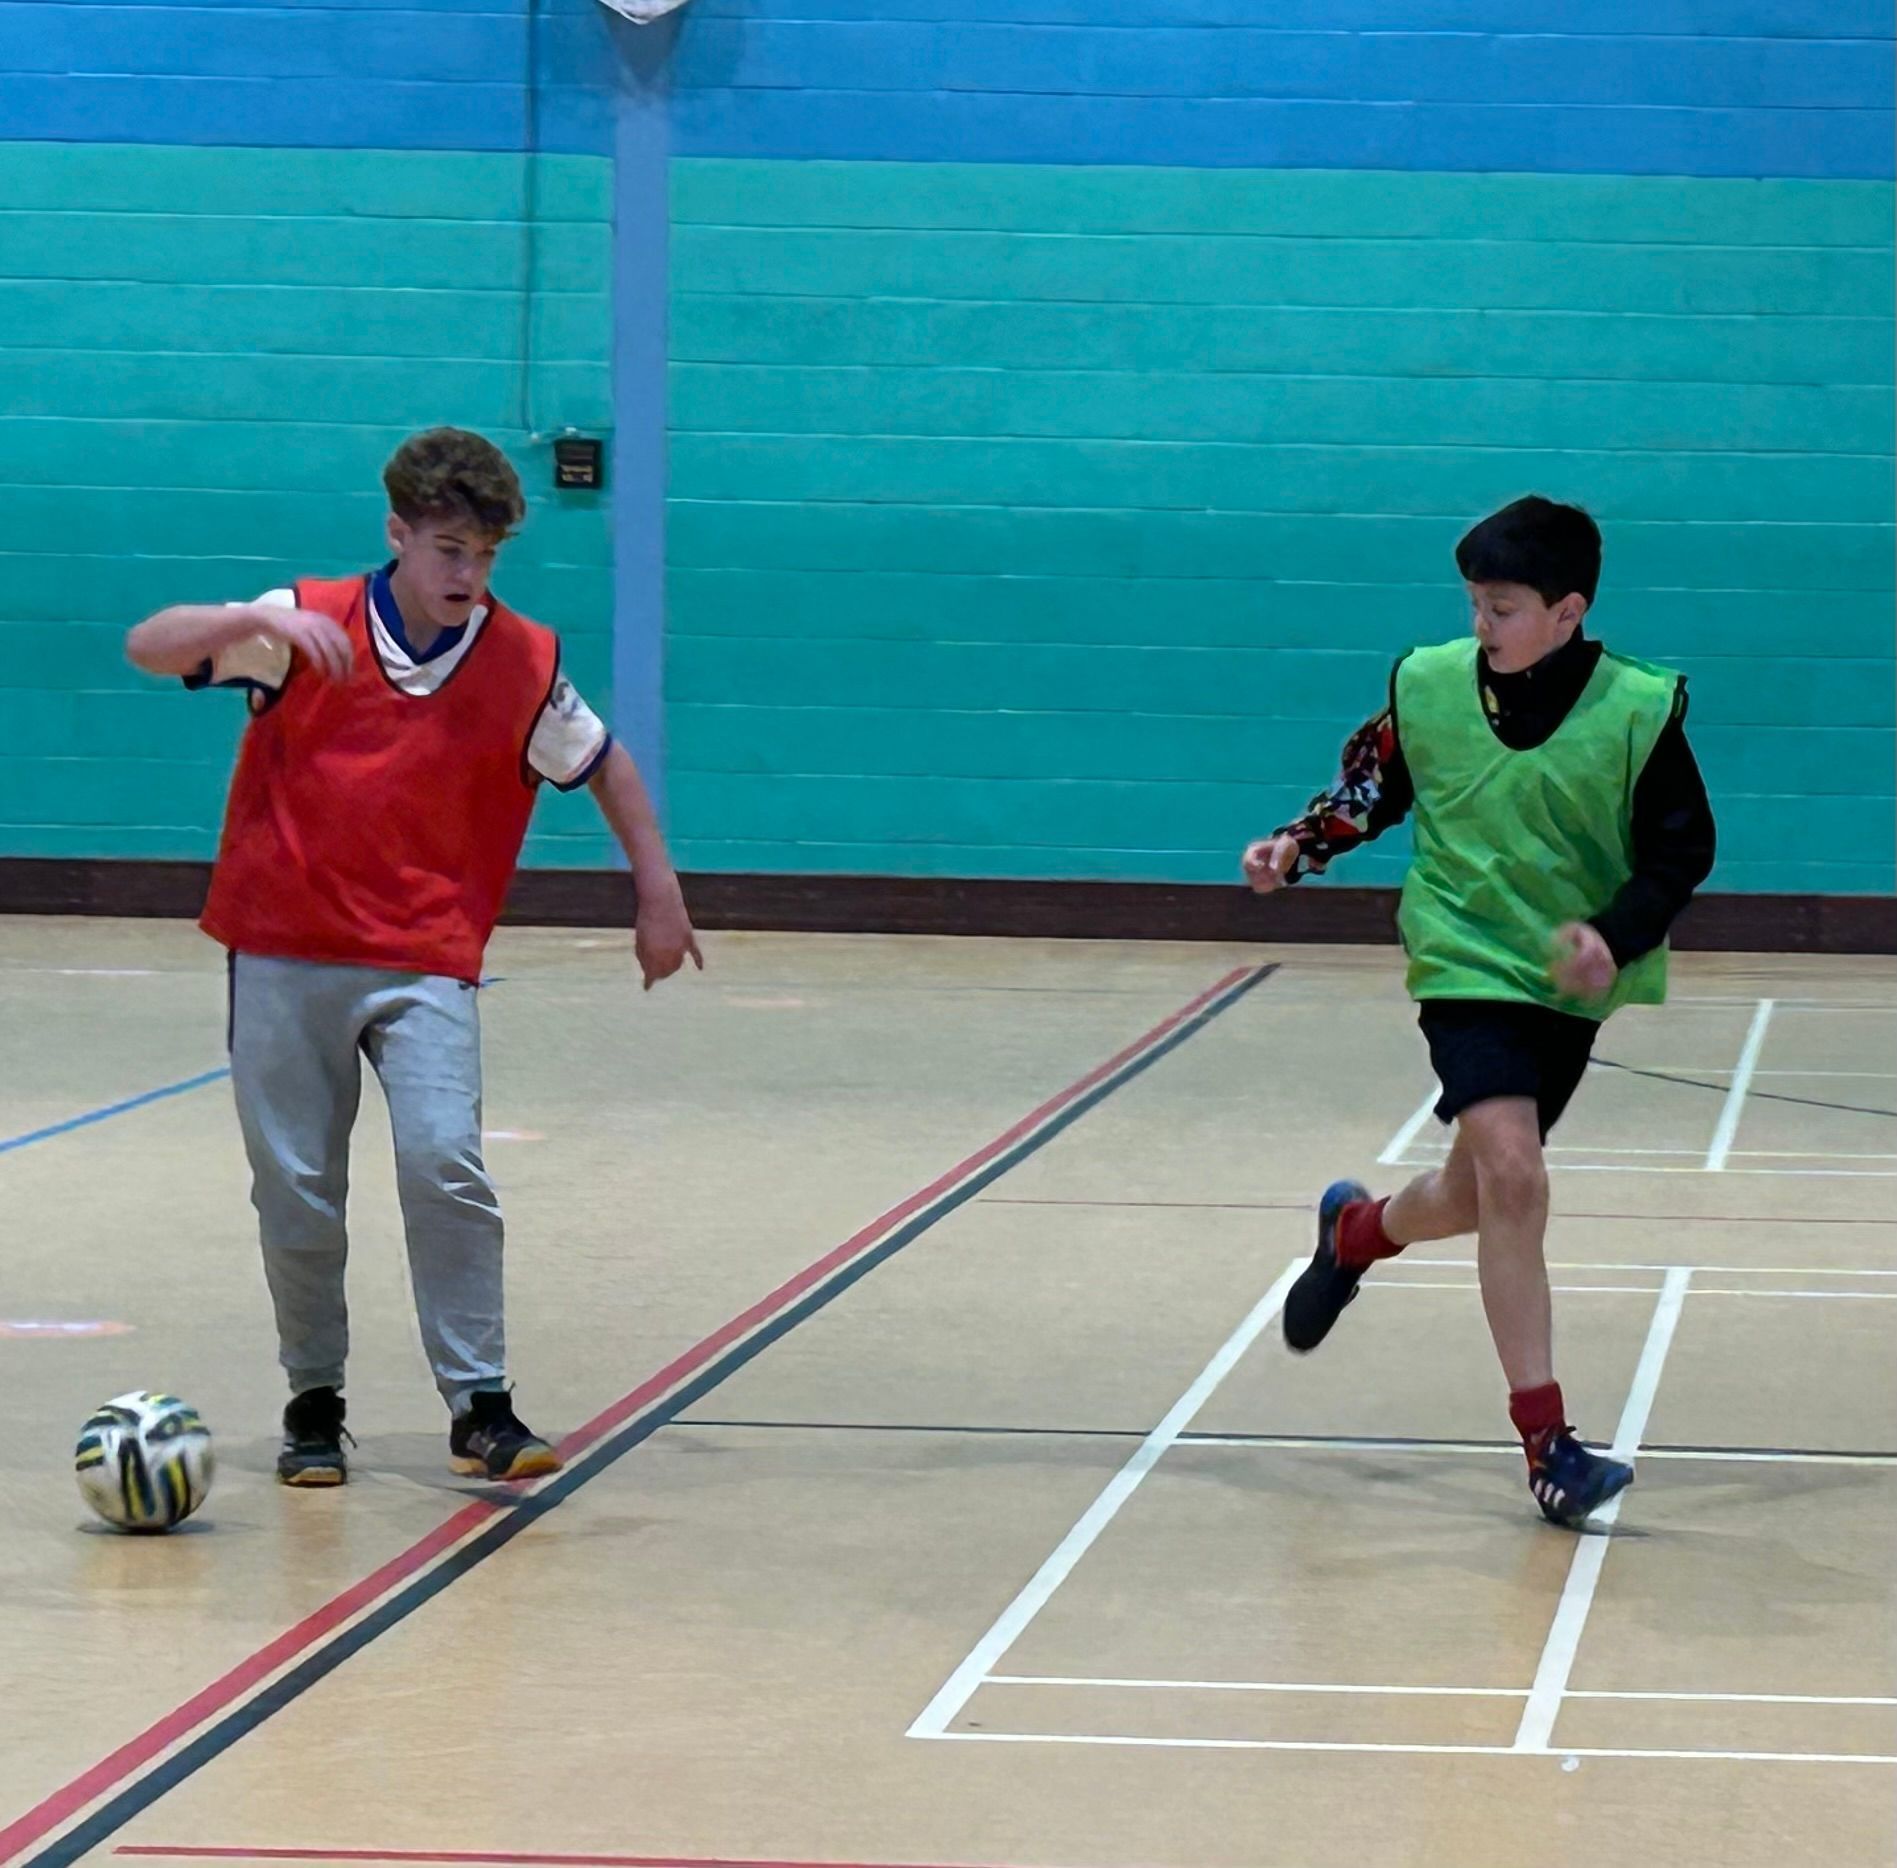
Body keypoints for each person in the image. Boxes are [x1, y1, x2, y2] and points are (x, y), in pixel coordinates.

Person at [126, 427, 702, 1487]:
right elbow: (149, 645)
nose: (466, 575)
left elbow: (606, 764)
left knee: (446, 1161)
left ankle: (480, 1400)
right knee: (296, 1189)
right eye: (447, 549)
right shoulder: (301, 624)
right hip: (284, 942)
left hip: (424, 953)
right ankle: (314, 1396)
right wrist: (252, 617)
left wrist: (657, 889)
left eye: (484, 555)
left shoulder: (522, 656)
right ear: (397, 534)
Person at [1243, 496, 1715, 1527]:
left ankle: (1359, 1231)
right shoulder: (1428, 684)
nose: (1480, 626)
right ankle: (1549, 1444)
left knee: (1475, 1190)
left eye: (1501, 608)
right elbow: (1369, 786)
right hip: (1462, 954)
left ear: (1567, 610)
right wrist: (1297, 843)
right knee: (1514, 1172)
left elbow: (1682, 849)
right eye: (1473, 605)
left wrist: (1614, 929)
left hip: (1565, 975)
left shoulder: (1636, 708)